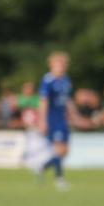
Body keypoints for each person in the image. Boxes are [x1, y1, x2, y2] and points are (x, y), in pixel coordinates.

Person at [37, 51, 77, 191]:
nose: (62, 67)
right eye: (59, 64)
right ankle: (59, 179)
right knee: (59, 150)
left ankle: (43, 166)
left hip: (62, 119)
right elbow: (43, 101)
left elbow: (67, 101)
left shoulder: (66, 80)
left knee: (65, 151)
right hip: (52, 119)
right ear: (52, 65)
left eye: (64, 64)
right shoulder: (48, 80)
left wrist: (75, 116)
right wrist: (42, 121)